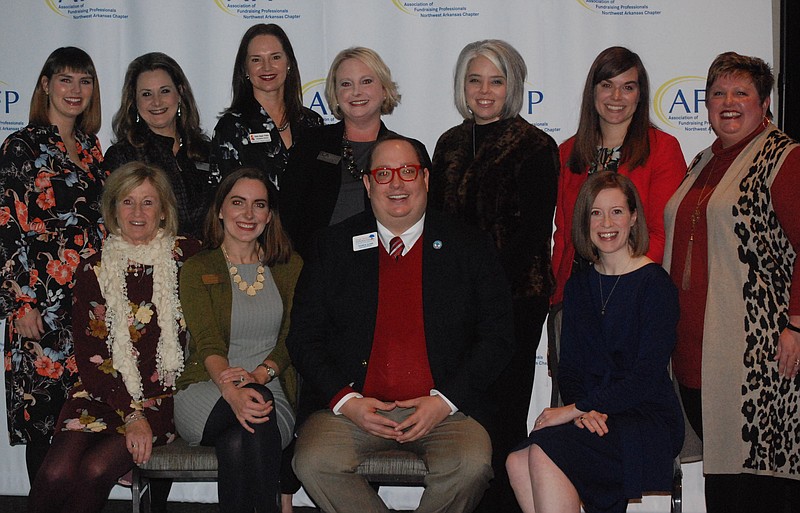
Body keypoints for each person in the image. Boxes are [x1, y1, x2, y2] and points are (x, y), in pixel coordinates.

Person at [287, 134, 514, 513]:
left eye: (407, 171)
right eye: (383, 173)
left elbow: (497, 337)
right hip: (358, 408)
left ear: (425, 178)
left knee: (471, 466)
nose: (396, 183)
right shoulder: (333, 246)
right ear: (367, 183)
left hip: (444, 410)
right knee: (313, 461)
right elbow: (304, 338)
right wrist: (347, 402)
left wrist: (444, 401)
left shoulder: (469, 245)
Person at [663, 52, 800, 513]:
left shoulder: (784, 157)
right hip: (697, 353)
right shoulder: (704, 159)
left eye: (741, 92)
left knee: (755, 487)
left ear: (764, 103)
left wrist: (796, 325)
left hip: (757, 357)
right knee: (724, 484)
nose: (728, 102)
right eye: (718, 92)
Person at [428, 39, 558, 513]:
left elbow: (531, 235)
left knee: (503, 415)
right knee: (462, 414)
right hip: (454, 305)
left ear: (513, 86)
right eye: (475, 79)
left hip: (514, 302)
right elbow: (436, 226)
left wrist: (481, 294)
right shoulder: (448, 143)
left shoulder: (535, 146)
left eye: (496, 81)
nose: (484, 91)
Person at [27, 162, 200, 512]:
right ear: (113, 210)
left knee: (94, 469)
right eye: (127, 202)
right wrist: (130, 415)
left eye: (148, 202)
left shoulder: (190, 258)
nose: (137, 212)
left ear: (164, 210)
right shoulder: (93, 267)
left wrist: (141, 416)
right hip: (101, 391)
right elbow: (90, 358)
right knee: (55, 471)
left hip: (162, 398)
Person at [506, 171, 684, 513]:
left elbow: (644, 379)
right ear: (584, 221)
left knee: (543, 451)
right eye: (596, 212)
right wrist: (584, 410)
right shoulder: (578, 287)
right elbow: (570, 371)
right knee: (517, 460)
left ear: (633, 218)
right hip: (594, 413)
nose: (606, 222)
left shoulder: (655, 285)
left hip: (646, 419)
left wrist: (578, 409)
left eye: (617, 211)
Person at [0, 46, 106, 484]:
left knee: (84, 428)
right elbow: (5, 226)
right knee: (45, 432)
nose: (75, 90)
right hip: (39, 312)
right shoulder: (20, 145)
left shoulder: (93, 148)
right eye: (65, 79)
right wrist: (17, 303)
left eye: (84, 80)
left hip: (90, 310)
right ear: (45, 84)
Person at [174, 167, 302, 513]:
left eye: (259, 205)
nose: (248, 214)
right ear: (220, 209)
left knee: (237, 440)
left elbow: (294, 337)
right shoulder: (198, 268)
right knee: (252, 410)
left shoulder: (290, 266)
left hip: (272, 389)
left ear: (269, 214)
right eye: (238, 202)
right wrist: (231, 390)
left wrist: (261, 375)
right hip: (207, 389)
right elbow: (207, 342)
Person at [551, 46, 685, 306]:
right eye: (606, 85)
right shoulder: (567, 152)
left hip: (634, 293)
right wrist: (557, 296)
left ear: (640, 95)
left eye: (628, 87)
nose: (616, 96)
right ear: (593, 91)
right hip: (576, 296)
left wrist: (624, 282)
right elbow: (564, 235)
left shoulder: (662, 148)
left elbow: (663, 234)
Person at [281, 46, 429, 259]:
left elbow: (427, 219)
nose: (356, 92)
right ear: (336, 94)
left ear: (384, 89)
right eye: (346, 84)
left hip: (388, 264)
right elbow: (288, 213)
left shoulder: (409, 151)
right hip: (319, 265)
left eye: (366, 81)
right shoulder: (311, 144)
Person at [104, 52, 218, 240]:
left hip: (206, 264)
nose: (156, 102)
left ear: (180, 93)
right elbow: (116, 223)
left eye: (165, 91)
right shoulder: (122, 156)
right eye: (146, 94)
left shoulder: (207, 152)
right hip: (152, 264)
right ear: (134, 101)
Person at [211, 23, 323, 187]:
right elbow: (222, 194)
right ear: (245, 69)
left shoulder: (312, 122)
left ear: (289, 63)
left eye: (275, 57)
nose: (267, 67)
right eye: (256, 60)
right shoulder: (231, 127)